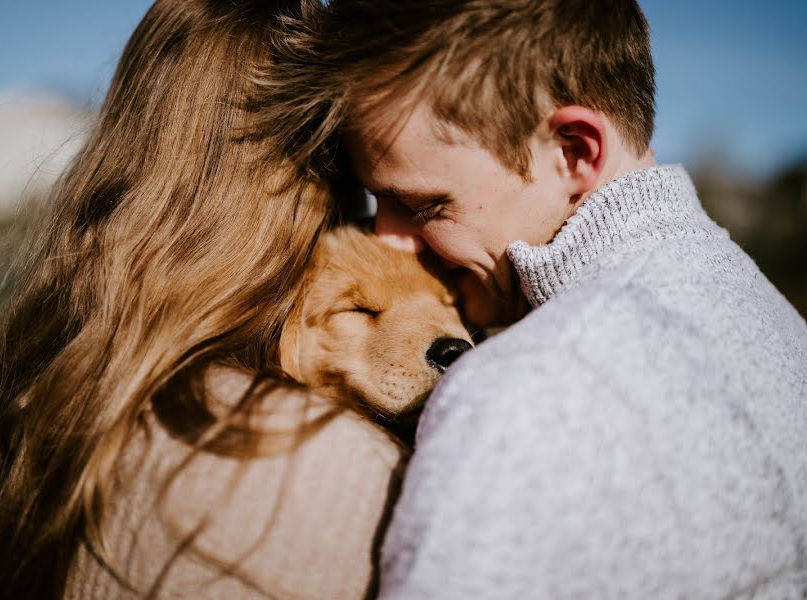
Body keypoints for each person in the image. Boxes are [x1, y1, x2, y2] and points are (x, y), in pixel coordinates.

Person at [257, 0, 807, 597]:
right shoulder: (773, 324)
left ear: (574, 150)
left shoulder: (528, 389)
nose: (390, 240)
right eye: (375, 201)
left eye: (425, 205)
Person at [0, 1, 405, 599]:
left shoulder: (57, 395)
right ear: (315, 189)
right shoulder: (326, 461)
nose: (389, 235)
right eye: (375, 197)